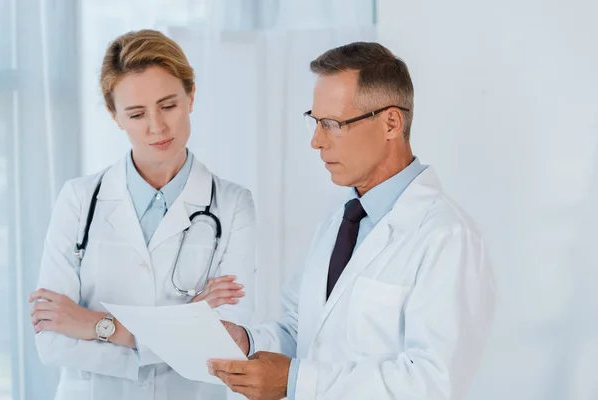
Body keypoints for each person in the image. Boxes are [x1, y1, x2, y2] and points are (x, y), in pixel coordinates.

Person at [209, 42, 496, 400]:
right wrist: (247, 340)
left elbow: (432, 383)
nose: (316, 141)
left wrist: (298, 381)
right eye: (315, 122)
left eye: (332, 124)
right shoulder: (341, 222)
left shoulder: (447, 236)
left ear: (391, 122)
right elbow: (304, 331)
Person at [28, 29, 256, 399]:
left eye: (169, 106)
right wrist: (181, 328)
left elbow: (225, 343)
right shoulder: (78, 200)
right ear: (114, 115)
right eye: (136, 113)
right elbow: (52, 341)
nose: (157, 127)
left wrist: (96, 325)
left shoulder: (233, 205)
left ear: (191, 95)